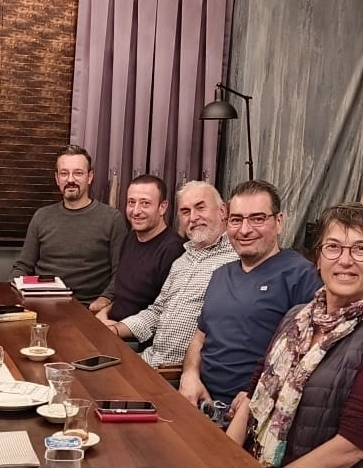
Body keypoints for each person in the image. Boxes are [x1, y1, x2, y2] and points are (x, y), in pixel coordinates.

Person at [227, 203, 363, 468]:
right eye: (333, 247)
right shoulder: (295, 317)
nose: (345, 260)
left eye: (361, 249)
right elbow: (252, 395)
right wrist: (223, 463)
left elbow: (353, 446)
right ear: (318, 258)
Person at [178, 181, 321, 407]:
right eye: (236, 220)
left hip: (252, 410)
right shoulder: (220, 275)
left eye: (257, 218)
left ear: (279, 222)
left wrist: (257, 396)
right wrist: (189, 375)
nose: (244, 230)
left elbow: (310, 357)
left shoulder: (301, 276)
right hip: (197, 402)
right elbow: (199, 338)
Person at [104, 181, 238, 367]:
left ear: (222, 211)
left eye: (200, 208)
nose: (193, 217)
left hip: (176, 371)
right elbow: (157, 311)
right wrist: (115, 330)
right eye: (185, 211)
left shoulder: (236, 260)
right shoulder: (183, 260)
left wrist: (191, 373)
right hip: (149, 359)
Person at [12, 145, 125, 309]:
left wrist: (105, 299)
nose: (70, 180)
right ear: (57, 178)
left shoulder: (112, 219)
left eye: (78, 173)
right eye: (64, 173)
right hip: (40, 305)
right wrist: (12, 293)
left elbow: (120, 273)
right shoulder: (41, 216)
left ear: (90, 177)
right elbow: (23, 266)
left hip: (87, 308)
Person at [96, 174, 184, 322]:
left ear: (162, 207)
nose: (136, 211)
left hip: (134, 333)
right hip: (110, 323)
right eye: (131, 202)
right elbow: (125, 298)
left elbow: (163, 313)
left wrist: (116, 328)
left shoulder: (173, 250)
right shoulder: (130, 238)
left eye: (145, 203)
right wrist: (104, 312)